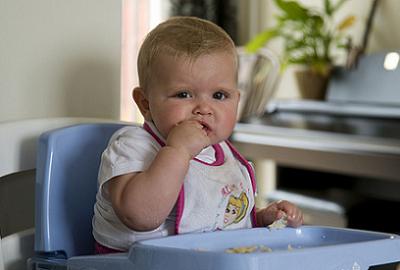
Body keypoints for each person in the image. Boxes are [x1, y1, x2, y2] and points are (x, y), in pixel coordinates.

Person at [92, 16, 303, 254]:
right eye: (183, 94)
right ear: (145, 103)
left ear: (237, 100)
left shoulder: (223, 154)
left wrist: (262, 220)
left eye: (219, 95)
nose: (204, 108)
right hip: (133, 263)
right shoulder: (131, 147)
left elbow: (219, 218)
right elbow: (140, 216)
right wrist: (178, 151)